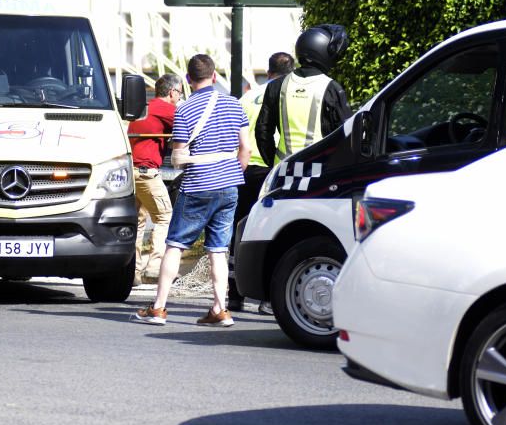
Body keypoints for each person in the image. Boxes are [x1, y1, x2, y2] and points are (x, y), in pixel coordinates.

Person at [131, 54, 251, 327]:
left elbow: (177, 158)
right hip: (229, 185)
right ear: (215, 76)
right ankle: (221, 309)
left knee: (175, 244)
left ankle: (159, 308)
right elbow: (246, 149)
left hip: (197, 184)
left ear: (187, 80)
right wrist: (233, 172)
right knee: (218, 250)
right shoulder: (234, 105)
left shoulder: (184, 110)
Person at [227, 51, 296, 314]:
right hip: (273, 170)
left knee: (239, 231)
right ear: (292, 73)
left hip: (243, 168)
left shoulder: (247, 96)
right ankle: (268, 298)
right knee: (275, 232)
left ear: (268, 72)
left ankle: (235, 295)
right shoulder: (287, 95)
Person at [254, 25, 352, 167]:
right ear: (323, 52)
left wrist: (273, 164)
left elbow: (263, 131)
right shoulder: (331, 88)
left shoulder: (277, 85)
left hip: (283, 169)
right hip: (318, 171)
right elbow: (345, 133)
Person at [127, 73, 181, 285]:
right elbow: (190, 124)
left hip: (130, 171)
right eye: (179, 94)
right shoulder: (166, 109)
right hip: (146, 172)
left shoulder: (144, 107)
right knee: (164, 216)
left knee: (138, 222)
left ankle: (133, 271)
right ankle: (155, 266)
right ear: (172, 92)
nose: (179, 98)